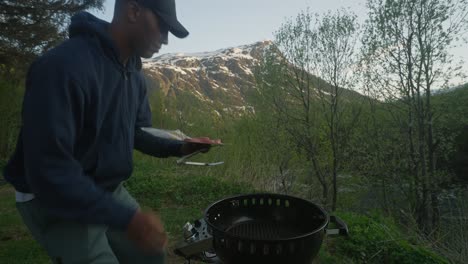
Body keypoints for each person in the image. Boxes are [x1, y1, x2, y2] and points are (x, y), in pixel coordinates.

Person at [2, 0, 209, 263]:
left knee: (152, 254)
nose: (166, 40)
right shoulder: (62, 68)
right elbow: (49, 170)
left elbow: (138, 132)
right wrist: (127, 218)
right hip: (54, 197)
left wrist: (181, 147)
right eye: (163, 26)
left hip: (105, 189)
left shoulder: (133, 75)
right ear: (133, 11)